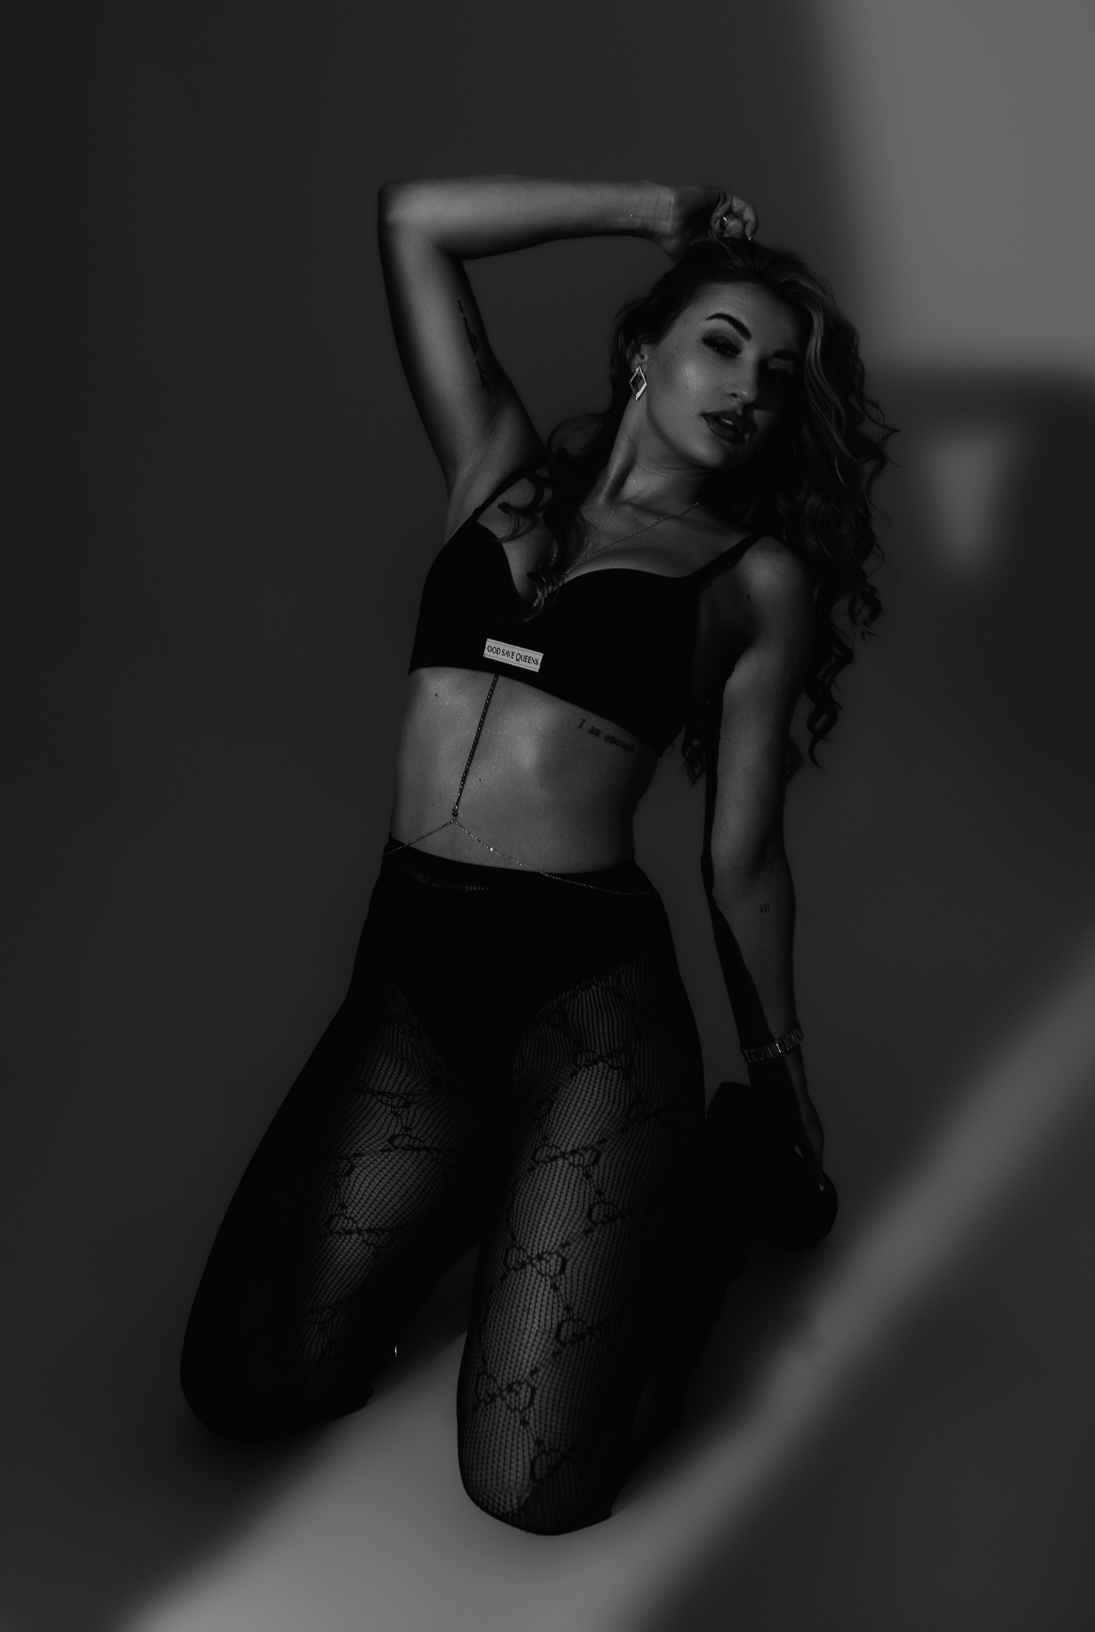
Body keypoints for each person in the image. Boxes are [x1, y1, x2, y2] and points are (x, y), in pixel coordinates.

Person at [180, 177, 887, 1534]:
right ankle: (484, 1189)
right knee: (245, 1386)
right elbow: (411, 222)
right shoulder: (492, 468)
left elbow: (742, 858)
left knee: (531, 1484)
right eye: (722, 342)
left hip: (585, 1007)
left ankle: (708, 1199)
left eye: (778, 375)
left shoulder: (754, 583)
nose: (748, 386)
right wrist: (655, 210)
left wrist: (782, 1078)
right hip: (409, 986)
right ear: (643, 349)